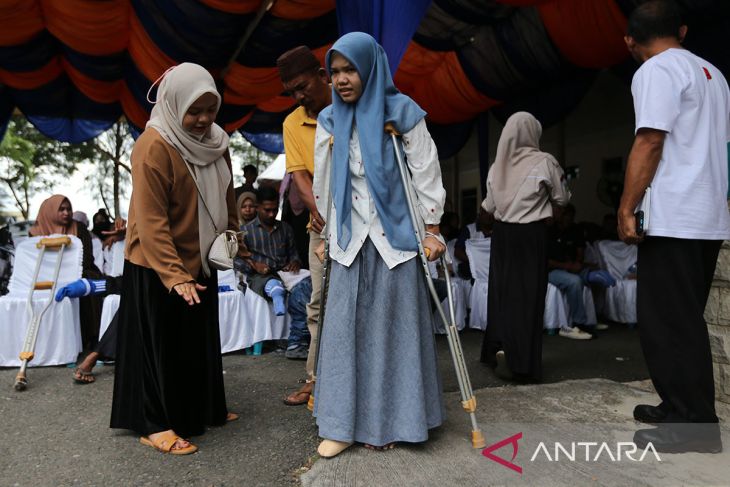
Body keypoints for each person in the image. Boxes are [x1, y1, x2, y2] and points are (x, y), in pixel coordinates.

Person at [311, 32, 447, 458]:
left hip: (395, 239)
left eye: (349, 69)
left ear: (370, 67)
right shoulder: (329, 120)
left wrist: (432, 228)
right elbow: (324, 181)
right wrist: (323, 233)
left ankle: (399, 421)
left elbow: (425, 169)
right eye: (335, 72)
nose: (342, 79)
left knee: (394, 332)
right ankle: (341, 425)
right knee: (344, 334)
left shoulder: (403, 112)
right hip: (350, 238)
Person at [619, 0, 730, 453]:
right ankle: (679, 404)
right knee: (683, 319)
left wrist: (627, 207)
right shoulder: (714, 74)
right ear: (681, 30)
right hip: (706, 214)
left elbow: (649, 139)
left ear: (630, 41)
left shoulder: (655, 71)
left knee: (667, 323)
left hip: (675, 215)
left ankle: (695, 425)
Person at [110, 63, 238, 455]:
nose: (202, 120)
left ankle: (203, 407)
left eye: (210, 110)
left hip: (201, 256)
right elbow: (150, 222)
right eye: (193, 111)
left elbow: (228, 196)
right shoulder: (153, 146)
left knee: (197, 341)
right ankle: (155, 422)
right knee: (158, 347)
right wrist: (173, 275)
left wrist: (233, 237)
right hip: (155, 263)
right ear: (173, 104)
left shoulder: (218, 142)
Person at [480, 112, 570, 382]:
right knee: (527, 297)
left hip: (502, 237)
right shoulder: (545, 162)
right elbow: (562, 198)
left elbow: (488, 208)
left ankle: (496, 348)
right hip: (531, 236)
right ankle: (521, 364)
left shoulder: (497, 167)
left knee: (501, 294)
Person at [276, 45, 332, 406]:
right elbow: (300, 178)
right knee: (318, 303)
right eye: (292, 91)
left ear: (322, 76)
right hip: (323, 226)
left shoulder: (348, 107)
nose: (298, 97)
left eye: (302, 86)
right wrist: (323, 215)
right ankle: (315, 379)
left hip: (364, 224)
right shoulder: (292, 123)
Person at [239, 186, 312, 359]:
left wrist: (295, 262)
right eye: (267, 210)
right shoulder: (246, 232)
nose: (272, 214)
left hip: (285, 273)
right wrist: (254, 264)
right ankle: (294, 340)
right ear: (257, 208)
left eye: (275, 210)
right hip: (260, 276)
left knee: (309, 280)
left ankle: (295, 340)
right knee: (271, 284)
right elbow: (237, 261)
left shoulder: (285, 229)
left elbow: (294, 253)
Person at [29, 195, 103, 350]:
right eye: (61, 209)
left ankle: (93, 340)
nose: (66, 213)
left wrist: (71, 273)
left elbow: (87, 257)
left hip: (81, 270)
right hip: (48, 275)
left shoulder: (79, 228)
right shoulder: (36, 232)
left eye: (69, 209)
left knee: (88, 282)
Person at [547, 204, 615, 339]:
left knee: (597, 277)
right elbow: (545, 261)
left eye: (571, 216)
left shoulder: (575, 229)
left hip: (572, 268)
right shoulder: (548, 230)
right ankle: (579, 324)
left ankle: (591, 321)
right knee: (574, 282)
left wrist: (577, 263)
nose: (568, 218)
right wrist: (568, 266)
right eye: (565, 214)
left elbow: (580, 252)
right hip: (552, 270)